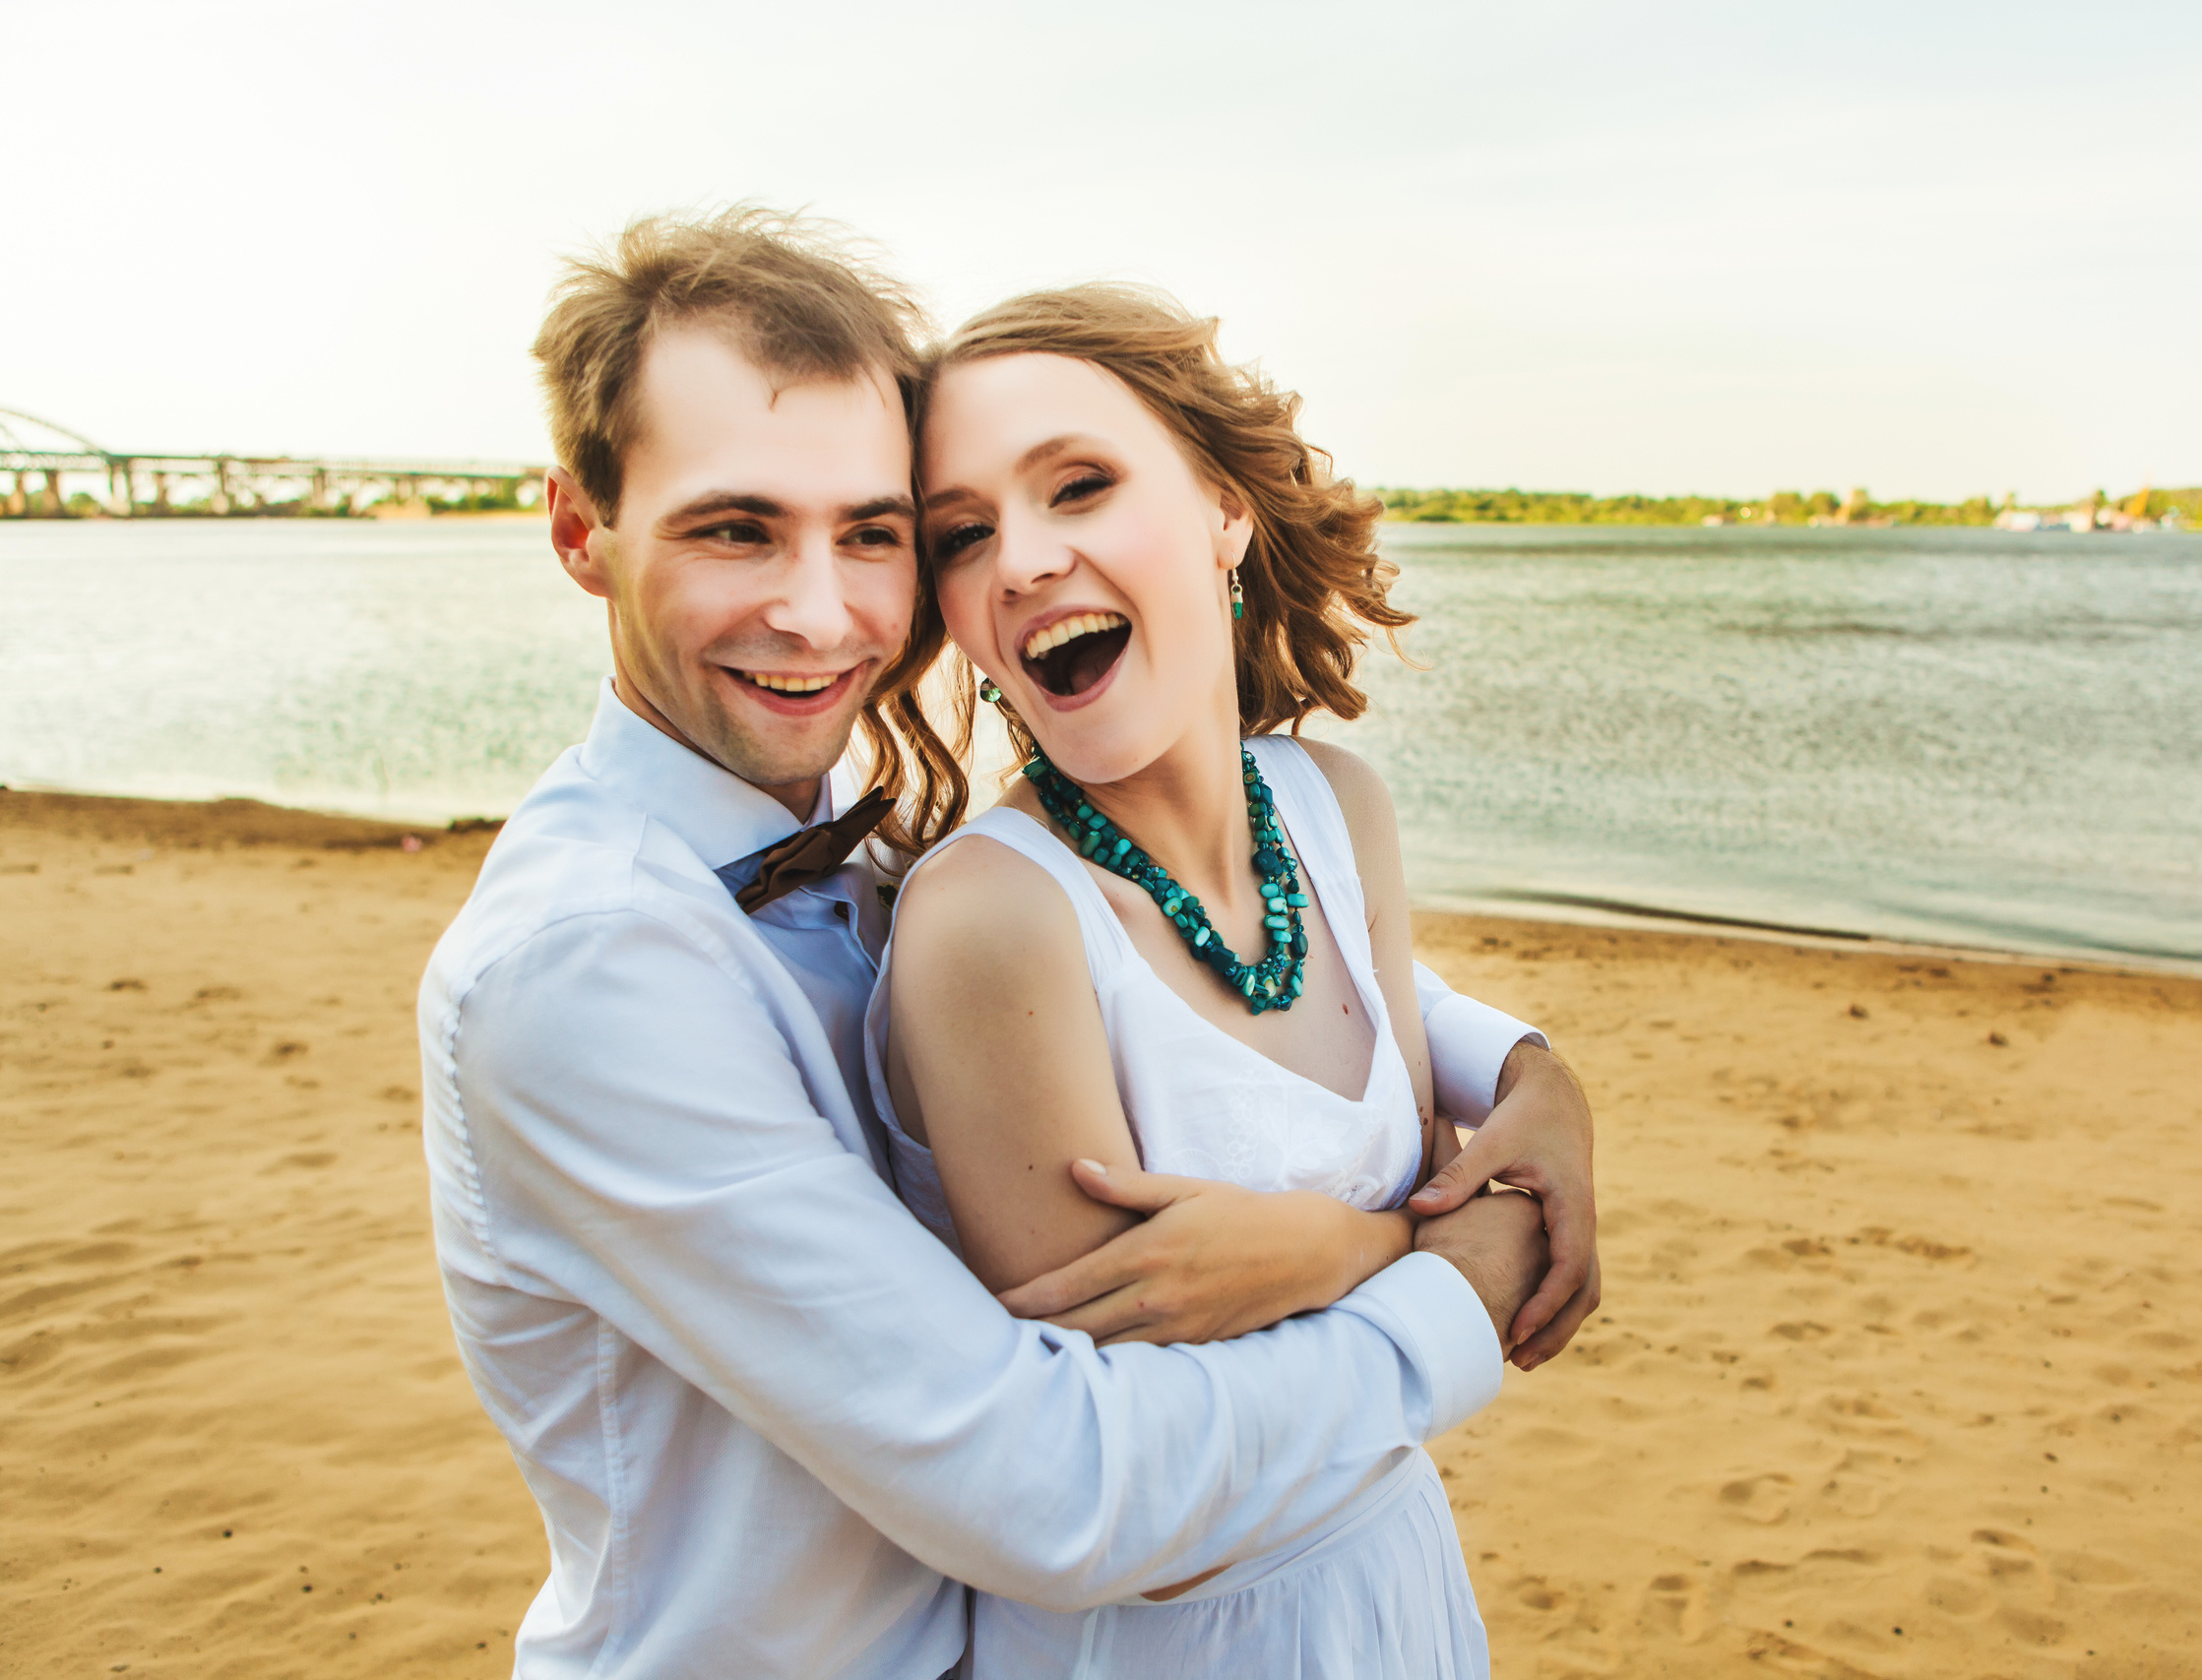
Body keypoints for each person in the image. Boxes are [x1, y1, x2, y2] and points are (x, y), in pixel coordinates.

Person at [416, 208, 1597, 1679]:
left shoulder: (841, 814)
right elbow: (1064, 1489)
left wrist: (1531, 1073)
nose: (819, 608)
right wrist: (1451, 1265)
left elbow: (1244, 973)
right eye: (736, 527)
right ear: (581, 533)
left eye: (876, 535)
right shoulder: (587, 965)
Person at [869, 282, 1581, 1676]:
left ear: (1222, 512)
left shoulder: (1333, 809)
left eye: (1079, 485)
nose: (1019, 562)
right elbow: (1149, 1511)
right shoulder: (992, 920)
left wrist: (1538, 1076)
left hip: (1394, 1590)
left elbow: (1431, 1131)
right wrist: (1387, 1246)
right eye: (964, 536)